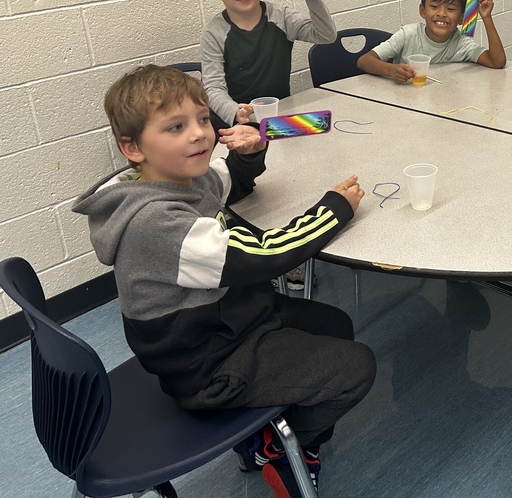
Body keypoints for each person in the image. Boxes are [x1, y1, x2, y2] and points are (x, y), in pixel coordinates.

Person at [73, 65, 375, 497]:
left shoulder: (173, 179)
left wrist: (249, 153)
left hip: (226, 324)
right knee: (357, 367)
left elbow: (229, 180)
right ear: (133, 147)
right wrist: (334, 209)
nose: (199, 134)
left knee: (334, 326)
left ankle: (272, 427)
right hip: (207, 366)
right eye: (176, 127)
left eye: (201, 119)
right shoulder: (158, 222)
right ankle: (279, 448)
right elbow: (268, 255)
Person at [199, 0, 337, 133]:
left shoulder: (281, 17)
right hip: (239, 126)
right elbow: (212, 88)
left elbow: (326, 36)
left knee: (323, 129)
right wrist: (234, 112)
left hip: (278, 118)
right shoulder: (214, 33)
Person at [357, 0, 506, 81]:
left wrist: (487, 18)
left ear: (461, 18)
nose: (441, 14)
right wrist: (392, 70)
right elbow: (364, 61)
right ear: (422, 11)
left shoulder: (463, 43)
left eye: (451, 9)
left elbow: (496, 62)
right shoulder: (408, 34)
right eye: (434, 7)